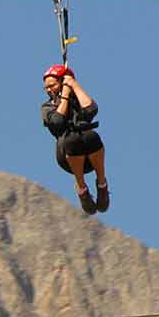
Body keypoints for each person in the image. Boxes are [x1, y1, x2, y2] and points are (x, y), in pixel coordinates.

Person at [41, 64, 109, 214]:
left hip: (90, 149)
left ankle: (102, 184)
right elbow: (57, 122)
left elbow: (91, 110)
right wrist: (64, 96)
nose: (48, 90)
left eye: (52, 85)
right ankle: (81, 188)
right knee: (73, 138)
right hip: (67, 153)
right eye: (46, 87)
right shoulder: (47, 107)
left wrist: (73, 85)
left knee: (90, 135)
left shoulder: (78, 99)